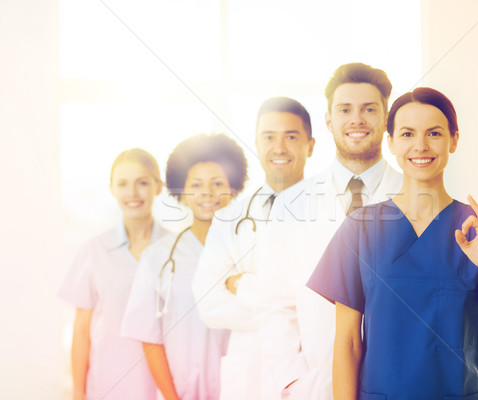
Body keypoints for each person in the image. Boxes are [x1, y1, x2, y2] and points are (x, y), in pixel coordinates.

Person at [307, 87, 478, 400]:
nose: (420, 146)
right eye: (408, 134)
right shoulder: (360, 229)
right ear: (392, 143)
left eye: (434, 133)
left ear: (454, 140)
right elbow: (347, 343)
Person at [284, 62, 403, 399]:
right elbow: (273, 305)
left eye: (369, 109)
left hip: (397, 383)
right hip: (314, 385)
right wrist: (294, 381)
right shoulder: (290, 203)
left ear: (386, 119)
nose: (357, 119)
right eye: (345, 109)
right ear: (328, 121)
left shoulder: (416, 198)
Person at [192, 97, 315, 400]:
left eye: (291, 136)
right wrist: (294, 313)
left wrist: (242, 284)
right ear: (257, 145)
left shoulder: (332, 213)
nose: (279, 147)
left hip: (311, 368)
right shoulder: (229, 218)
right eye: (269, 137)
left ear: (310, 146)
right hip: (249, 373)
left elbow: (328, 300)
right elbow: (209, 305)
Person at [121, 134, 248, 400]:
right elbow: (149, 336)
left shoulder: (250, 251)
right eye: (196, 184)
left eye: (217, 183)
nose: (207, 193)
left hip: (244, 388)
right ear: (182, 191)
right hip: (181, 392)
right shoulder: (158, 257)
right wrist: (171, 397)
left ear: (233, 188)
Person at [59, 148, 168, 400]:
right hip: (107, 387)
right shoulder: (93, 250)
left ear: (158, 186)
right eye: (122, 184)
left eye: (142, 182)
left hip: (164, 389)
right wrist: (78, 394)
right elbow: (81, 331)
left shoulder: (177, 248)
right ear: (112, 189)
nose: (132, 193)